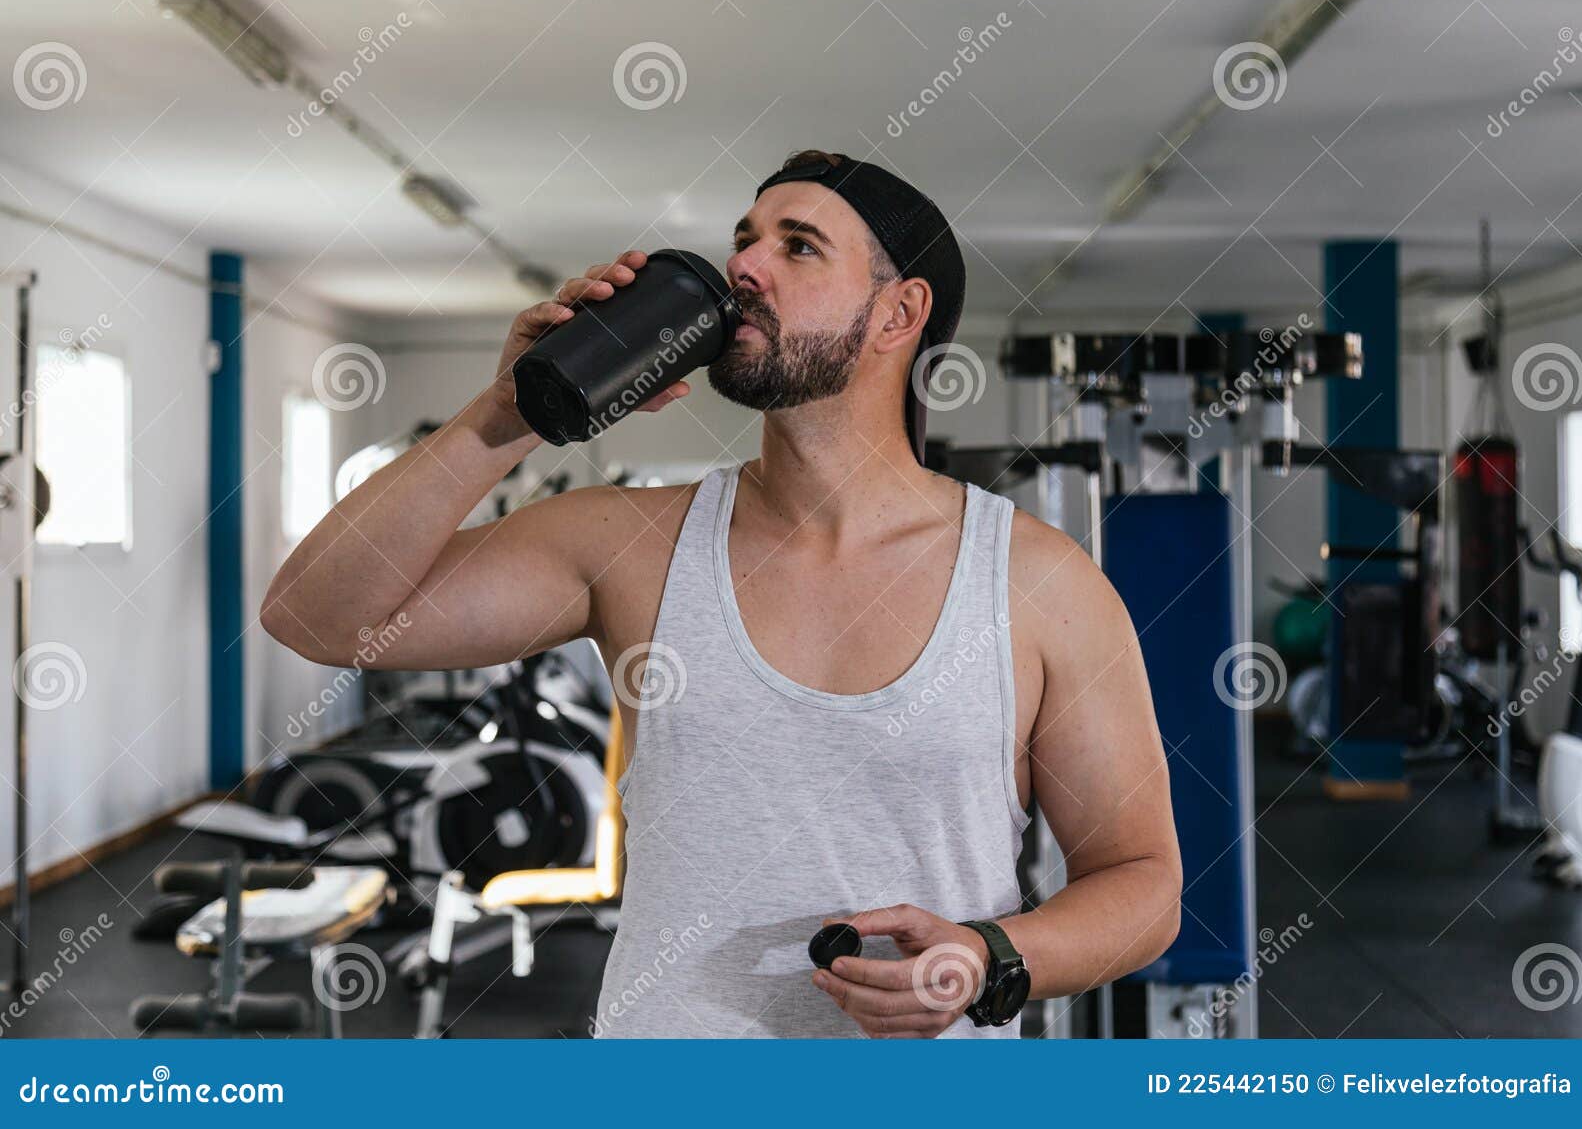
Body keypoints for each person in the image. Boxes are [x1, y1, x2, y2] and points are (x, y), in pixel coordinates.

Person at [262, 149, 1181, 1038]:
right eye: (745, 239)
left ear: (899, 312)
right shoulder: (628, 543)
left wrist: (989, 955)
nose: (743, 265)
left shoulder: (1037, 581)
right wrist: (507, 415)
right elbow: (317, 616)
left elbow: (1143, 880)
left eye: (798, 245)